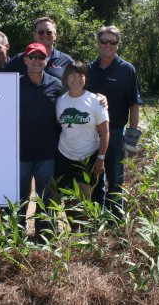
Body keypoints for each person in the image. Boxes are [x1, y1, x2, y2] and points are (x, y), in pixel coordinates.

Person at [87, 26, 143, 219]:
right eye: (104, 41)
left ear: (118, 45)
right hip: (91, 135)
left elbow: (134, 105)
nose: (108, 46)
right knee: (95, 179)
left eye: (112, 42)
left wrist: (132, 139)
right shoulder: (89, 69)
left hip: (116, 133)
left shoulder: (127, 70)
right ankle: (96, 221)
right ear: (98, 43)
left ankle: (114, 223)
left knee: (115, 180)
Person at [55, 61, 109, 230]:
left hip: (88, 156)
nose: (76, 79)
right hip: (64, 155)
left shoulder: (95, 101)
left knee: (85, 198)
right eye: (72, 75)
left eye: (80, 75)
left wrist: (101, 158)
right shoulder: (60, 101)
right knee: (69, 198)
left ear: (85, 78)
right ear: (66, 78)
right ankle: (74, 231)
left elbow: (105, 132)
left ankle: (86, 232)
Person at [18, 43, 62, 235]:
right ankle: (15, 234)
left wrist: (99, 98)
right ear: (25, 59)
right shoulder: (14, 83)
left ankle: (45, 235)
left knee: (46, 197)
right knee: (18, 198)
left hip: (47, 153)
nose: (36, 60)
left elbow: (76, 99)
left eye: (40, 57)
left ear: (47, 60)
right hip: (20, 153)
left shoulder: (57, 85)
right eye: (32, 57)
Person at [5, 17, 73, 92]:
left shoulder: (66, 61)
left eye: (49, 32)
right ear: (34, 35)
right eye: (41, 32)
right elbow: (1, 80)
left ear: (55, 35)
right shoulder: (20, 58)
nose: (45, 35)